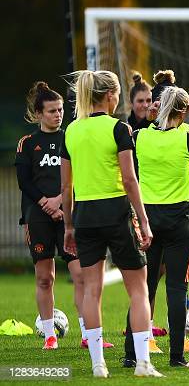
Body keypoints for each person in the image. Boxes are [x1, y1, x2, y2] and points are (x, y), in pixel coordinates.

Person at [61, 70, 162, 377]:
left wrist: (68, 227)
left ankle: (97, 365)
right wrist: (143, 221)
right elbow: (130, 179)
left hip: (85, 216)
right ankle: (143, 363)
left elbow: (66, 188)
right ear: (110, 96)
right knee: (139, 290)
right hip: (117, 212)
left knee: (92, 290)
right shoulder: (119, 128)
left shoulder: (71, 131)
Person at [124, 86, 189, 368]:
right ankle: (176, 357)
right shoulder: (187, 137)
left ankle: (131, 354)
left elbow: (129, 141)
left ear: (158, 107)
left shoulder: (141, 136)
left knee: (144, 289)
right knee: (177, 289)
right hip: (180, 221)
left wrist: (148, 119)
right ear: (183, 110)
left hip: (149, 221)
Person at [15, 82, 114, 350]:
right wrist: (46, 204)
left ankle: (87, 334)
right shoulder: (27, 143)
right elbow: (24, 181)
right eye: (51, 111)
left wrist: (60, 201)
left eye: (60, 110)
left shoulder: (71, 136)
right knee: (45, 278)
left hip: (68, 215)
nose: (58, 115)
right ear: (38, 114)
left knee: (80, 274)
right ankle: (49, 335)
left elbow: (79, 173)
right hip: (38, 216)